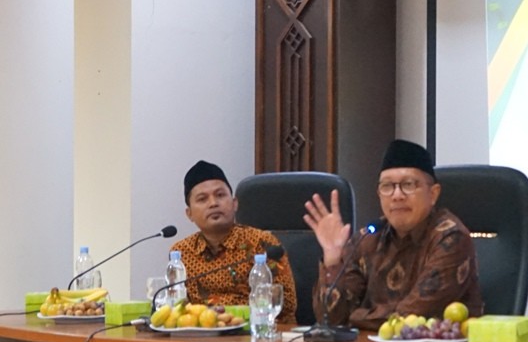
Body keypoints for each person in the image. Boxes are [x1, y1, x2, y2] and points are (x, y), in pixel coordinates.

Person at [305, 139, 483, 331]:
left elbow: (411, 317)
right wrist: (332, 260)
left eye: (408, 184)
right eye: (387, 186)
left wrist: (354, 316)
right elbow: (329, 319)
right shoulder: (368, 237)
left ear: (433, 194)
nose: (397, 195)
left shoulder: (451, 238)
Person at [170, 160, 298, 323]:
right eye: (202, 199)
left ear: (235, 204)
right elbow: (177, 306)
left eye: (220, 195)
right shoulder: (181, 253)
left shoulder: (262, 243)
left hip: (260, 331)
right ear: (189, 214)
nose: (213, 203)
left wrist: (226, 314)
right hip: (204, 334)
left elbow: (286, 303)